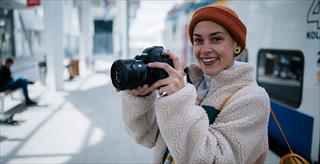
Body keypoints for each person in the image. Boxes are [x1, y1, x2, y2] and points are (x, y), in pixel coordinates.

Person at [120, 5, 270, 163]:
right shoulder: (190, 85)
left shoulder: (253, 99)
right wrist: (141, 98)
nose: (205, 49)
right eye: (198, 40)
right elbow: (147, 137)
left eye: (216, 39)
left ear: (236, 46)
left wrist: (177, 101)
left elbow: (213, 160)